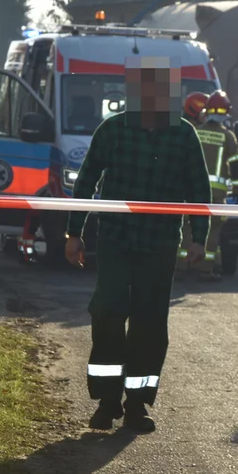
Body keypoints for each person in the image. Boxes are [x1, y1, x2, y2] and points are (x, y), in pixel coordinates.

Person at [64, 59, 212, 433]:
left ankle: (136, 405)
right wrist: (74, 232)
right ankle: (107, 401)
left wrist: (200, 238)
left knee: (149, 324)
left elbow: (199, 190)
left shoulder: (183, 135)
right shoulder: (113, 131)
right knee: (108, 313)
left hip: (159, 243)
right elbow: (86, 181)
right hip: (115, 239)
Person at [177, 90, 238, 279]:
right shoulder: (228, 137)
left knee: (187, 227)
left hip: (190, 190)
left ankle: (181, 267)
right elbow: (236, 167)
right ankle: (204, 269)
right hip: (215, 194)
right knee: (212, 229)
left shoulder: (195, 132)